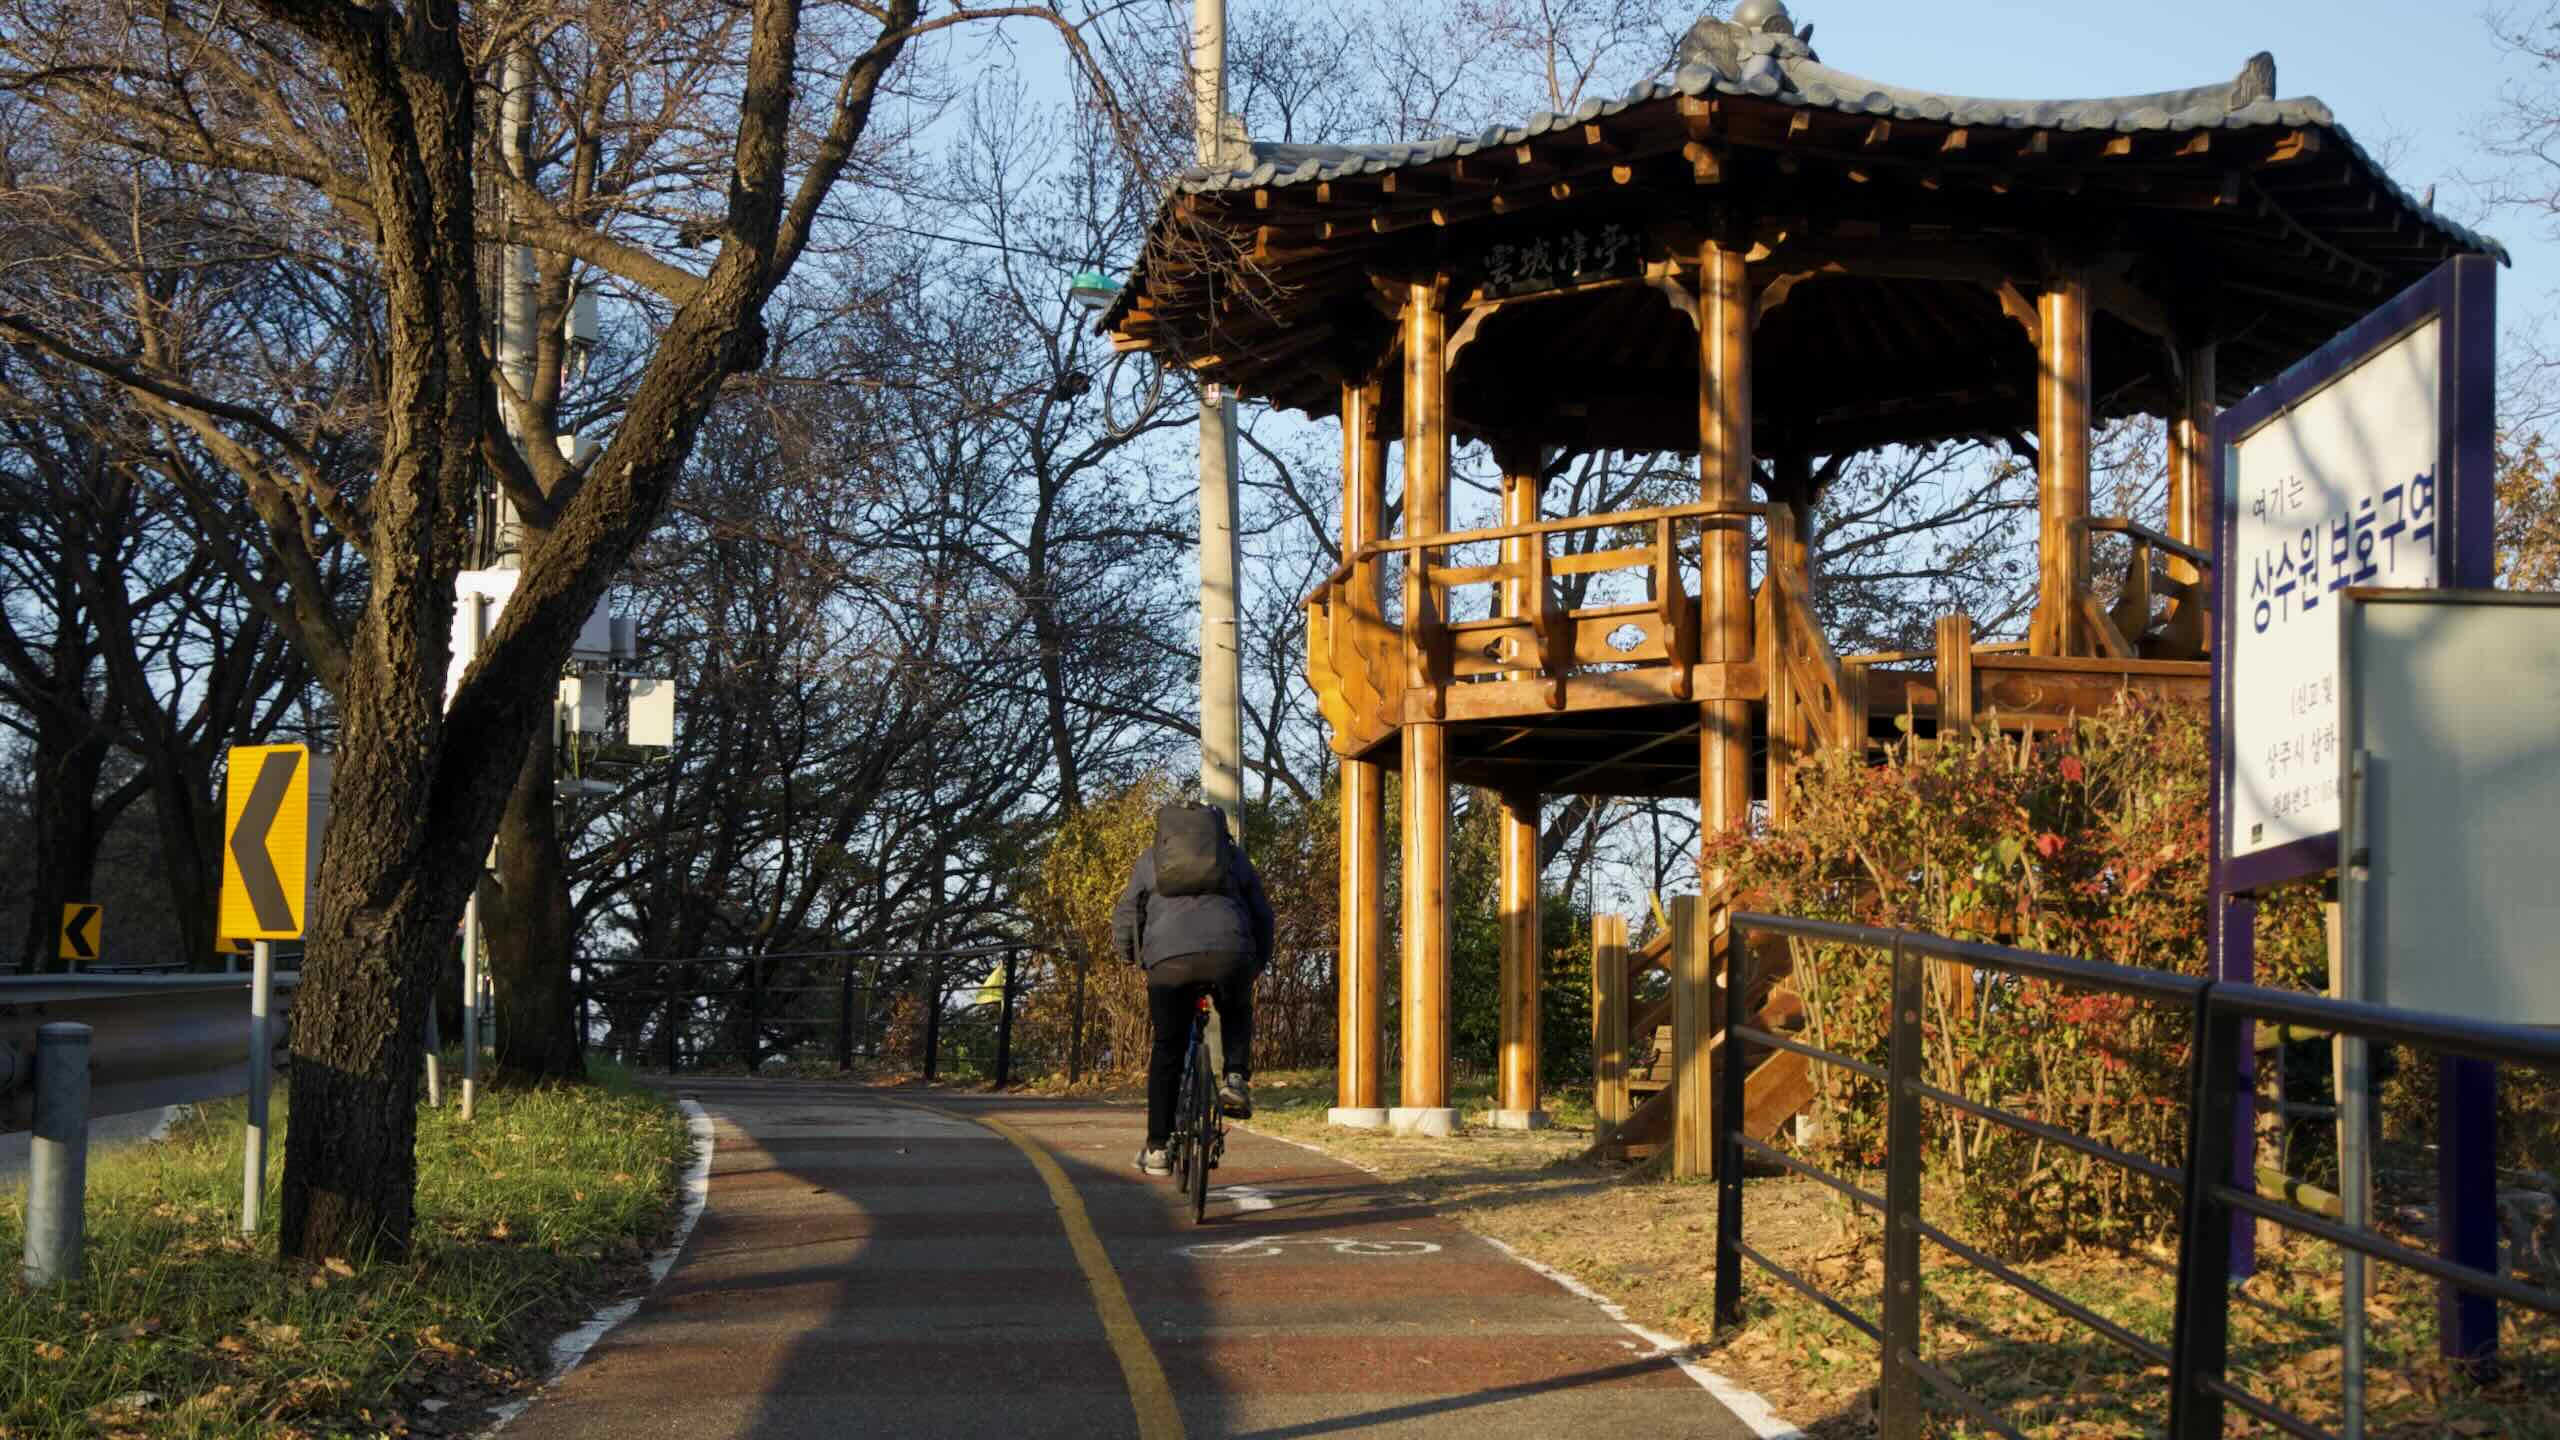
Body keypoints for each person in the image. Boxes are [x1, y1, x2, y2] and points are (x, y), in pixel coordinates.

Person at [1110, 802, 1274, 1176]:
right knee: (1236, 1009)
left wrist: (1131, 956)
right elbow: (1262, 913)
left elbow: (1127, 912)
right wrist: (1257, 961)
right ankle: (1234, 1077)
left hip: (1169, 962)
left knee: (1168, 1047)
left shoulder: (1150, 860)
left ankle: (1157, 1149)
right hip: (1229, 954)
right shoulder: (1233, 857)